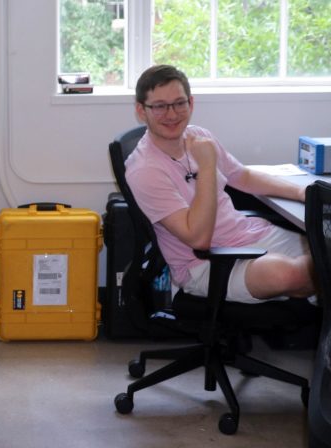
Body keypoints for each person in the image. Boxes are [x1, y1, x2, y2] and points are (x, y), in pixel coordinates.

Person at [125, 64, 315, 303]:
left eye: (179, 103)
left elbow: (242, 176)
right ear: (141, 111)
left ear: (191, 103)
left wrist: (301, 192)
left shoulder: (199, 137)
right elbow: (198, 239)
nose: (172, 114)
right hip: (205, 264)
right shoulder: (144, 170)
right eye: (160, 106)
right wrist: (206, 167)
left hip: (248, 235)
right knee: (292, 274)